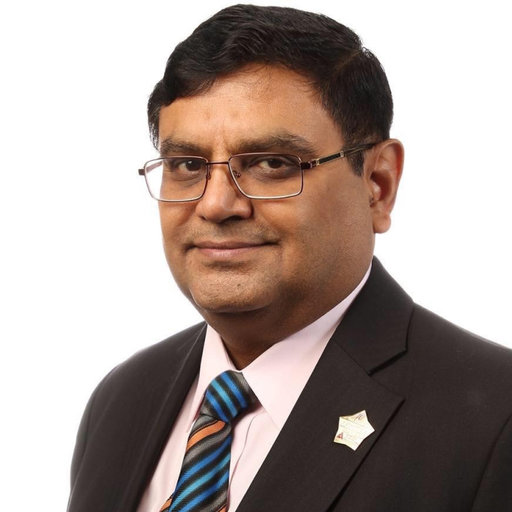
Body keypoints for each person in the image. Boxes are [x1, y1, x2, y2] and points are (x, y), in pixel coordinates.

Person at [67, 5, 512, 511]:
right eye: (186, 164)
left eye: (271, 164)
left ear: (377, 184)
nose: (215, 204)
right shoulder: (122, 400)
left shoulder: (494, 421)